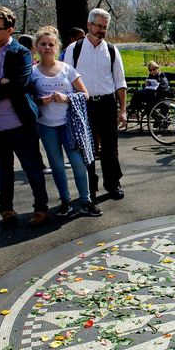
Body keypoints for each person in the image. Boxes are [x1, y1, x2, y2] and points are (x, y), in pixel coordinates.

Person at [0, 6, 49, 226]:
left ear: (10, 29)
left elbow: (19, 85)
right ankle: (6, 208)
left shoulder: (21, 52)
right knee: (3, 168)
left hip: (19, 122)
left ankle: (41, 208)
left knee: (31, 166)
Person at [31, 26, 102, 217]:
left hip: (69, 125)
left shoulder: (67, 69)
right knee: (56, 165)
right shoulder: (32, 72)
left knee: (78, 163)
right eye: (43, 44)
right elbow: (27, 100)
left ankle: (86, 200)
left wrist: (67, 98)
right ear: (36, 46)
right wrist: (40, 101)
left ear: (57, 47)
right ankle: (65, 201)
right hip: (46, 126)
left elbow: (84, 94)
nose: (47, 47)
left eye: (51, 44)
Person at [64, 8, 127, 201]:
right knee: (87, 147)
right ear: (89, 25)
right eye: (98, 26)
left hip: (107, 102)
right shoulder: (73, 50)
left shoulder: (111, 50)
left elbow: (120, 82)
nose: (101, 30)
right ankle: (90, 188)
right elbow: (66, 80)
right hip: (84, 104)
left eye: (104, 27)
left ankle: (113, 183)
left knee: (110, 147)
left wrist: (123, 110)